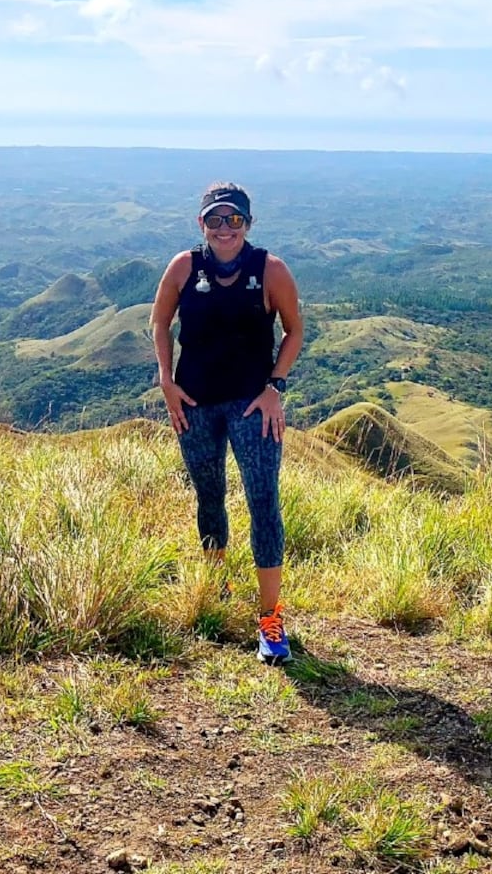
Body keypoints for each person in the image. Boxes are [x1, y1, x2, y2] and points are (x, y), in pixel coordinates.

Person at [150, 182, 304, 664]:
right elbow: (159, 321)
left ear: (248, 224)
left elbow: (295, 329)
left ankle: (270, 617)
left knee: (264, 501)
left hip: (251, 405)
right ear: (201, 224)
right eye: (215, 220)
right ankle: (216, 588)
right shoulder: (182, 267)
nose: (224, 229)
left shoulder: (270, 270)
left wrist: (275, 387)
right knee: (209, 494)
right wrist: (166, 380)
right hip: (194, 403)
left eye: (233, 220)